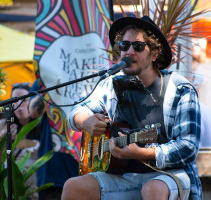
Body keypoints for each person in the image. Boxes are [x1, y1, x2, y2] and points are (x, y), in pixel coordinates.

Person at [61, 16, 201, 200]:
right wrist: (85, 121)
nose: (129, 51)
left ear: (154, 54)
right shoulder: (111, 84)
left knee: (152, 190)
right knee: (73, 187)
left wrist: (142, 153)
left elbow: (188, 147)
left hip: (168, 175)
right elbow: (77, 111)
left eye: (138, 46)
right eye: (124, 45)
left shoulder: (180, 89)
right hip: (123, 175)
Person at [28, 79, 79, 200]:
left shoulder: (86, 72)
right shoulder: (44, 77)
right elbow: (33, 112)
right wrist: (51, 81)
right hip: (52, 169)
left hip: (85, 165)